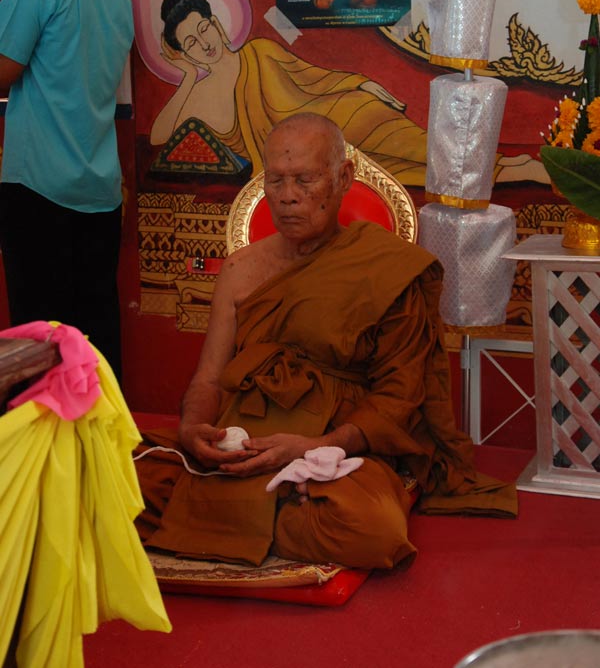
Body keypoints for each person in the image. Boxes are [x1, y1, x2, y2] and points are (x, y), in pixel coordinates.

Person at [135, 113, 517, 570]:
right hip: (245, 436)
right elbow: (209, 379)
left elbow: (398, 398)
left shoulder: (386, 268)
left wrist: (312, 447)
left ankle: (229, 518)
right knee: (106, 480)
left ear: (343, 179)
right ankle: (271, 513)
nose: (288, 195)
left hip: (335, 445)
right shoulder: (240, 271)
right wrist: (194, 429)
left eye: (305, 180)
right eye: (275, 180)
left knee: (373, 531)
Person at [150, 0, 549, 187]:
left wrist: (362, 83)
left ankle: (509, 166)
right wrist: (185, 76)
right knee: (404, 172)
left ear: (217, 25)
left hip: (345, 115)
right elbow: (158, 136)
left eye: (203, 29)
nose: (203, 44)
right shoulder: (198, 95)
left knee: (422, 149)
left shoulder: (258, 51)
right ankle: (509, 170)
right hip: (312, 155)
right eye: (190, 43)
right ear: (186, 53)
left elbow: (314, 78)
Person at [0, 0, 134, 378]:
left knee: (40, 345)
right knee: (94, 337)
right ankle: (104, 430)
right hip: (99, 192)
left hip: (39, 190)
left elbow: (4, 71)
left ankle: (48, 435)